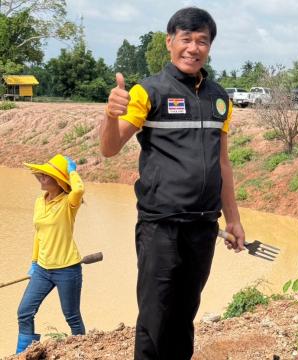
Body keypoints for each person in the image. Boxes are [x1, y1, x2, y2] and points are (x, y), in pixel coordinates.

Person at [100, 7, 245, 360]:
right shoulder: (148, 91)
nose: (193, 48)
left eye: (202, 41)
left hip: (203, 227)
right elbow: (110, 148)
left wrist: (234, 219)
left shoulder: (219, 98)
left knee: (185, 314)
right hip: (160, 225)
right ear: (170, 42)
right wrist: (110, 115)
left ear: (210, 46)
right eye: (186, 39)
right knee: (155, 317)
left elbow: (223, 163)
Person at [16, 154, 85, 353]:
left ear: (58, 181)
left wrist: (72, 171)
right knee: (24, 312)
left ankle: (83, 351)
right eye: (41, 174)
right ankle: (23, 353)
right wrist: (34, 261)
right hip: (42, 269)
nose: (41, 177)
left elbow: (79, 188)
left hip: (67, 269)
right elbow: (39, 234)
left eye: (47, 175)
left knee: (72, 316)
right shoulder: (40, 201)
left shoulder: (69, 203)